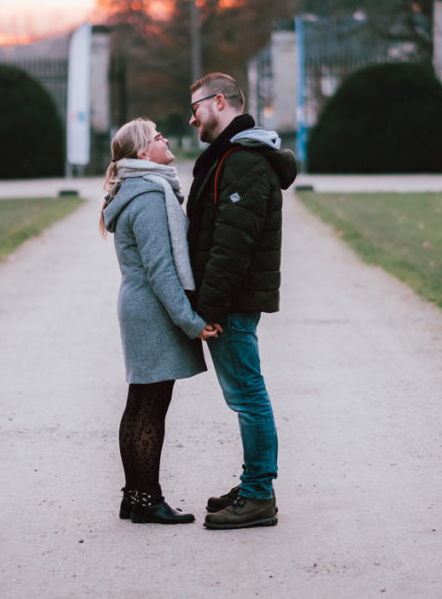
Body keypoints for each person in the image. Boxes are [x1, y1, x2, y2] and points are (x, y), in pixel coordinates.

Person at [186, 72, 298, 529]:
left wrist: (207, 311)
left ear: (218, 102)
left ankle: (258, 494)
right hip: (229, 299)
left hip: (230, 301)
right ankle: (254, 482)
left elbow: (232, 246)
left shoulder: (244, 161)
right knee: (245, 393)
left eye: (195, 106)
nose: (191, 117)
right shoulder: (233, 155)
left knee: (248, 395)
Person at [100, 117, 218, 525]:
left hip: (141, 306)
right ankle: (147, 499)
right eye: (156, 137)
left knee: (140, 404)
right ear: (140, 154)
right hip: (152, 309)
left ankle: (134, 497)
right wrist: (190, 321)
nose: (164, 139)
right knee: (150, 406)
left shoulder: (140, 189)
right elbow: (161, 270)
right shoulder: (150, 195)